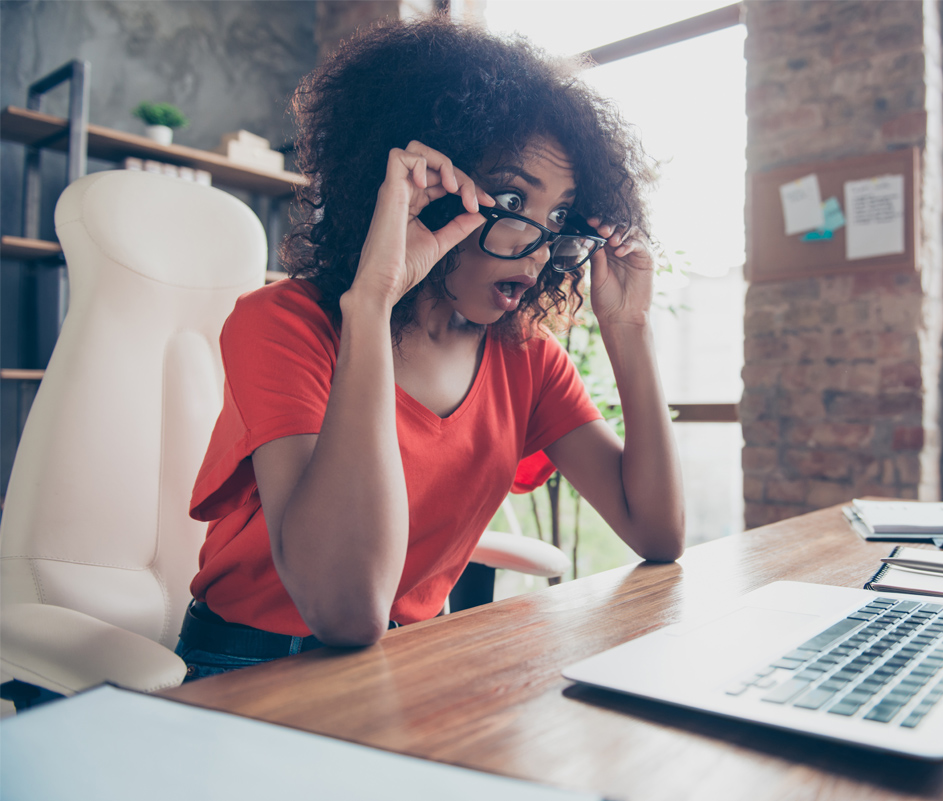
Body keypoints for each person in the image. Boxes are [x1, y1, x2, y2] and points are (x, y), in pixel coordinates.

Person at [175, 17, 685, 680]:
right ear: (425, 190)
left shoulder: (527, 360)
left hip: (409, 665)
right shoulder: (283, 325)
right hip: (247, 667)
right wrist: (373, 302)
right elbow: (347, 609)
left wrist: (630, 328)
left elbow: (658, 532)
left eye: (559, 216)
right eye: (509, 198)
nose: (536, 248)